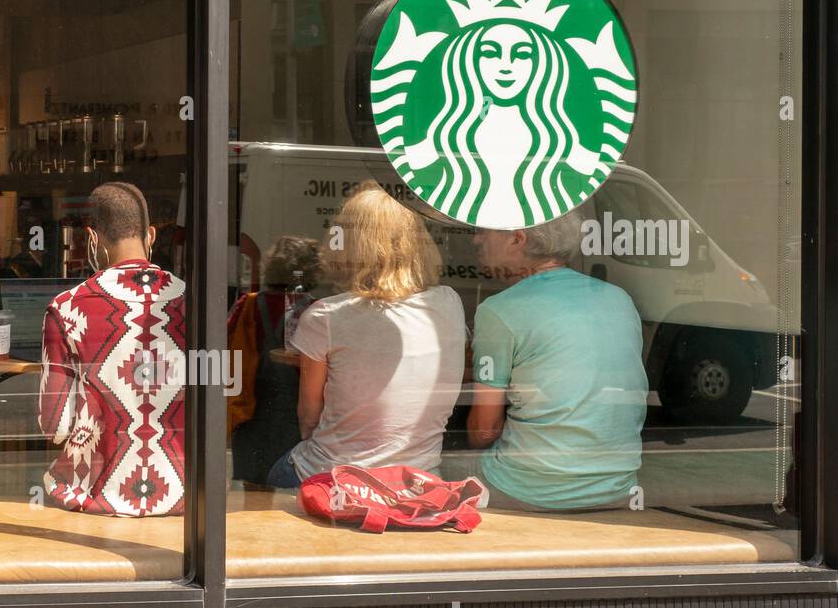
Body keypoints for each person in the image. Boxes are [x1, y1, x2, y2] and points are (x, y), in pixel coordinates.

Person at [267, 184, 466, 489]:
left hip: (332, 478)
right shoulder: (449, 302)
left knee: (272, 471)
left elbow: (308, 416)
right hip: (419, 480)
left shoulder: (325, 316)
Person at [467, 213, 648, 511]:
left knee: (433, 469)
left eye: (484, 230)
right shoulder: (620, 299)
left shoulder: (500, 310)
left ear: (517, 239)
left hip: (528, 489)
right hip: (616, 486)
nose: (476, 239)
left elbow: (483, 431)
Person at [38, 182, 187, 516]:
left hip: (95, 498)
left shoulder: (66, 308)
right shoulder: (198, 304)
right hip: (186, 498)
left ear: (92, 239)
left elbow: (54, 426)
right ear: (151, 235)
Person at [227, 235, 321, 485]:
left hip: (251, 412)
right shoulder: (317, 310)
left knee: (250, 487)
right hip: (296, 412)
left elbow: (226, 348)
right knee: (293, 485)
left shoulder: (248, 305)